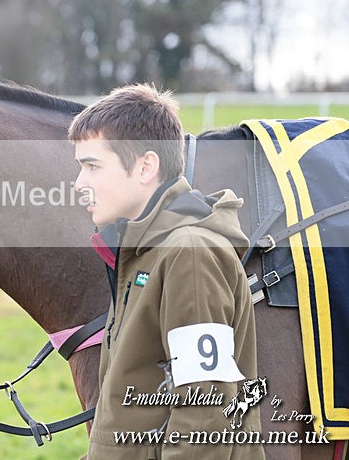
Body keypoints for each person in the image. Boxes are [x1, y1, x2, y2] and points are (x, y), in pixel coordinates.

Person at [68, 83, 263, 459]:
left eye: (92, 166)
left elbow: (205, 411)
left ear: (146, 167)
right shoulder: (141, 251)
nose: (80, 183)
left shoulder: (189, 254)